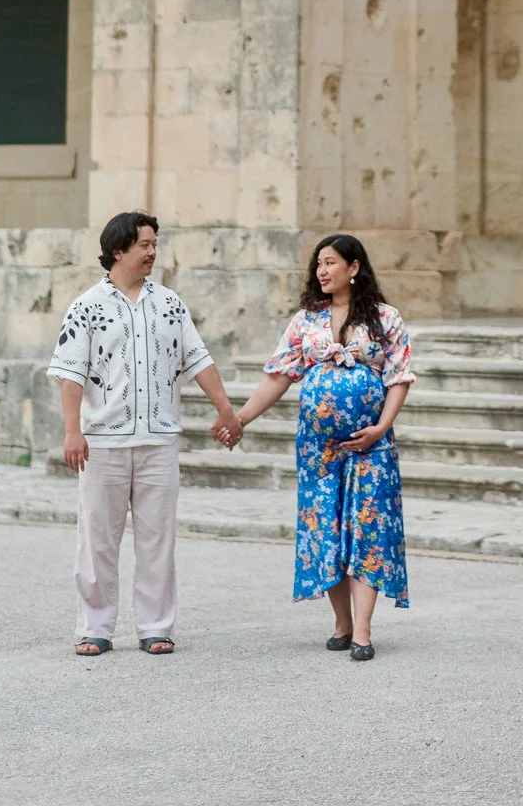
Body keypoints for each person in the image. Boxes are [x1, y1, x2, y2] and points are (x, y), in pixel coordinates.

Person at [47, 209, 241, 658]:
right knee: (97, 541)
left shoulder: (169, 304)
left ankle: (156, 626)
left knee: (158, 540)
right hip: (104, 444)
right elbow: (71, 375)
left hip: (158, 443)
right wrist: (72, 433)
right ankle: (95, 627)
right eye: (146, 245)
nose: (154, 252)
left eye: (155, 244)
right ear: (119, 250)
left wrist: (226, 410)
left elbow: (198, 359)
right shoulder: (86, 307)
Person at [233, 232, 412, 659]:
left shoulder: (385, 318)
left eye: (331, 262)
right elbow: (278, 376)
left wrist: (381, 428)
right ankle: (342, 624)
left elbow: (400, 377)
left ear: (354, 268)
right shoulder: (306, 321)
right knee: (325, 526)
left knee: (367, 527)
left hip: (371, 444)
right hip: (319, 447)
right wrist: (239, 419)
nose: (322, 270)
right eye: (318, 264)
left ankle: (364, 633)